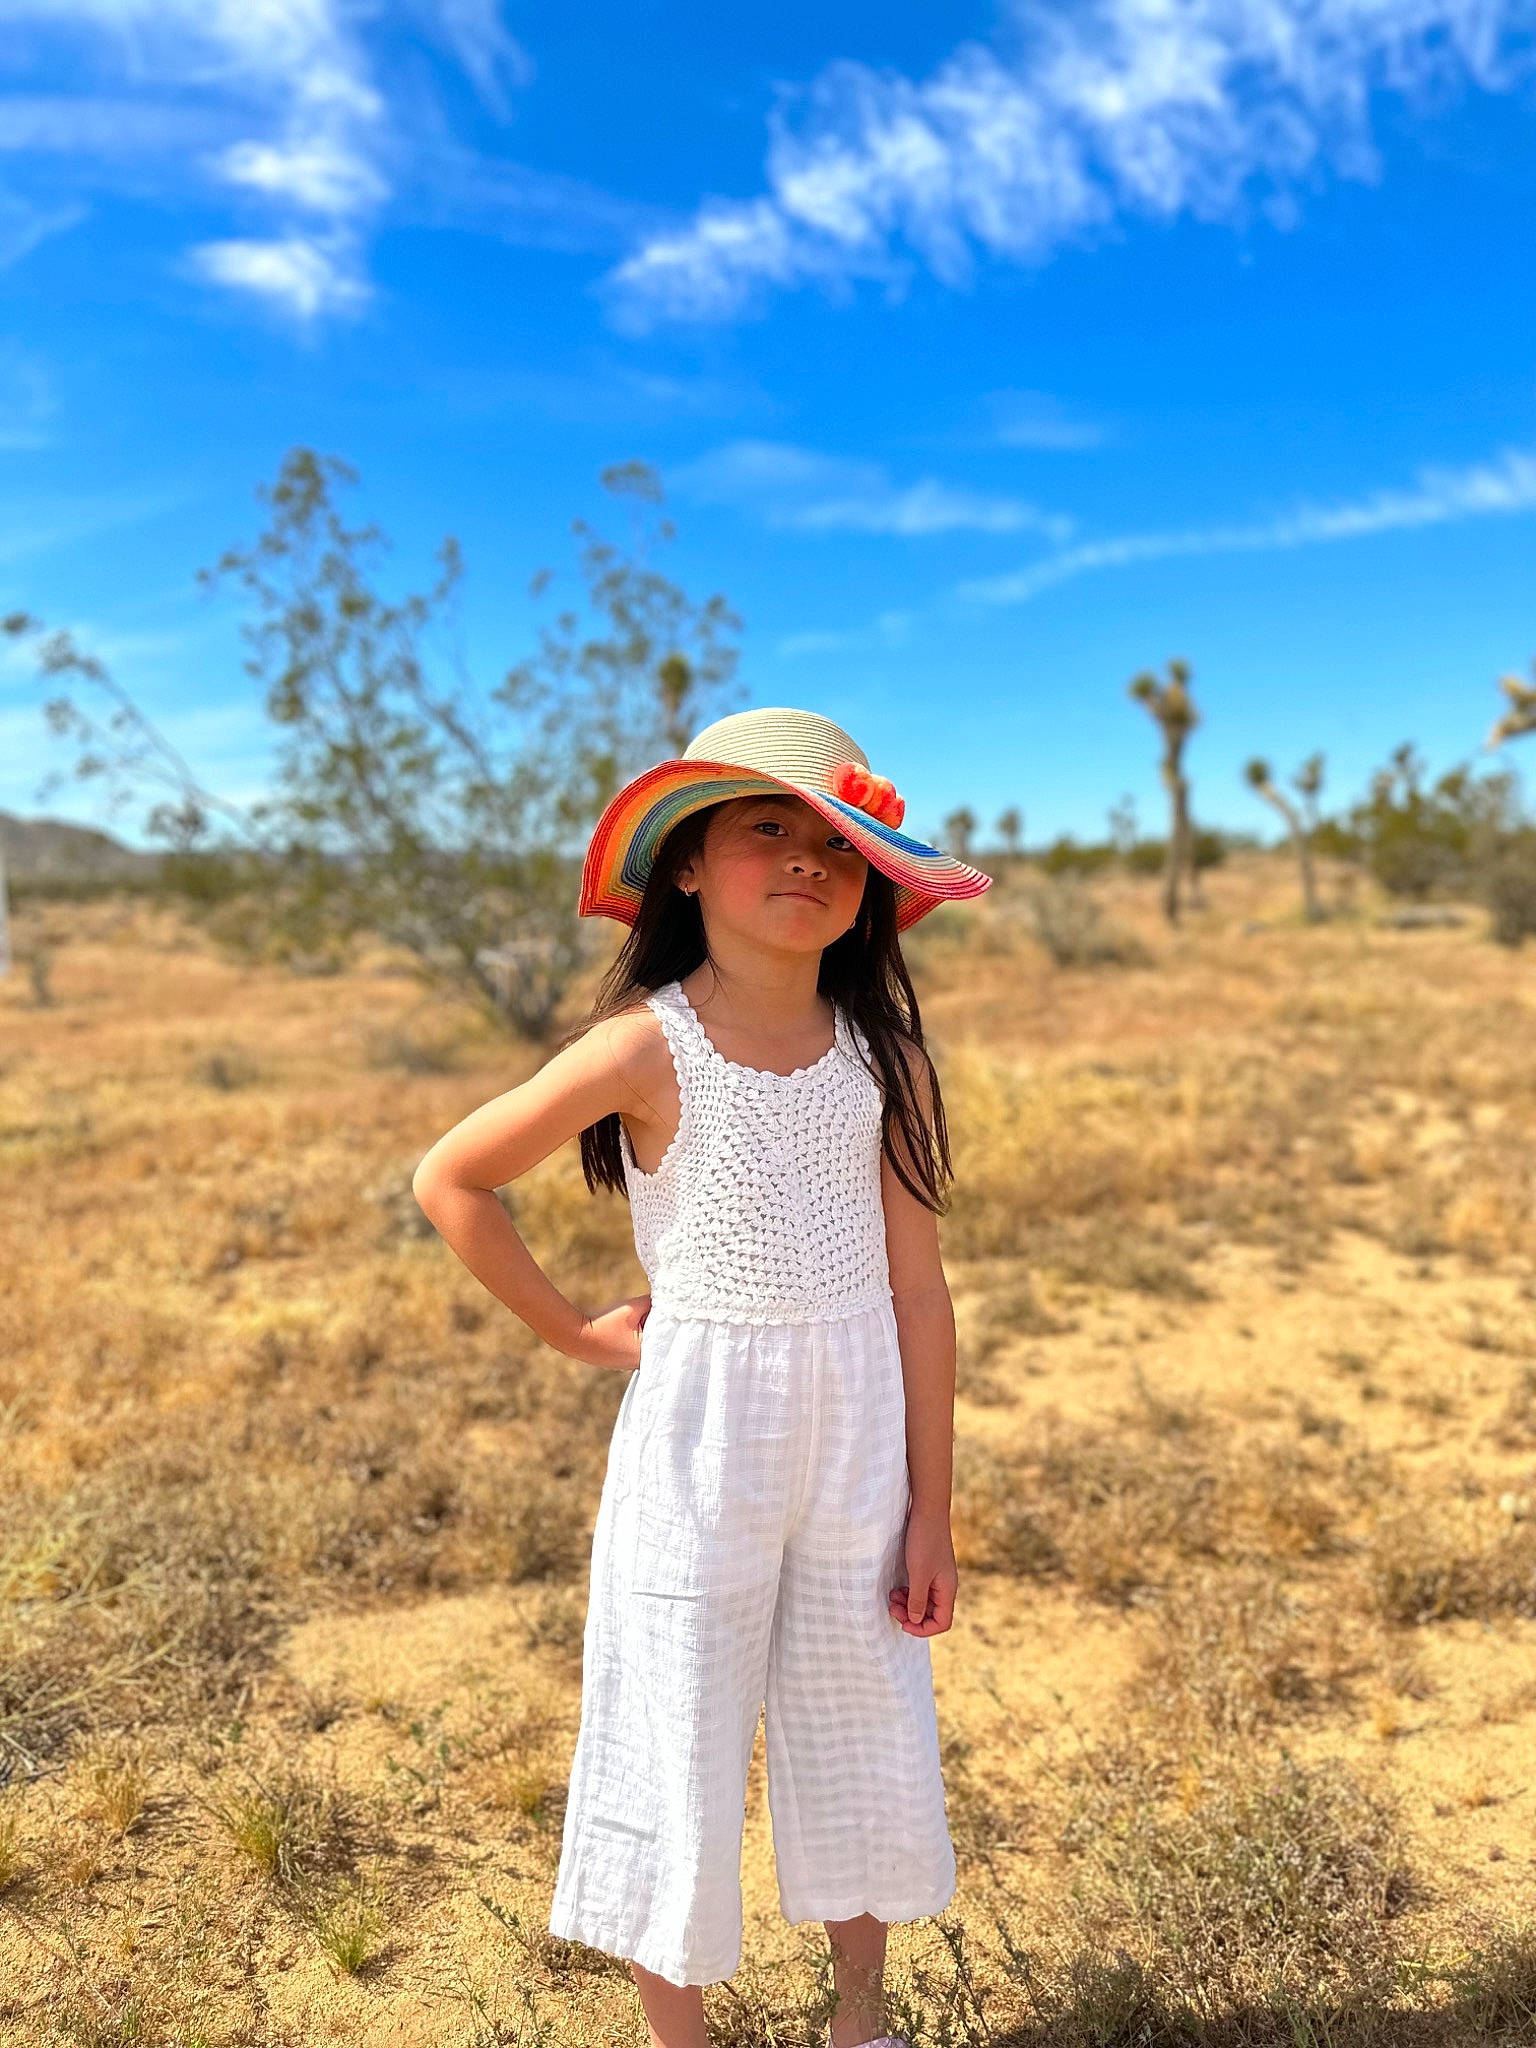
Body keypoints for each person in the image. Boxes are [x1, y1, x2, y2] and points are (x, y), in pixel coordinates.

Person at [412, 706, 994, 2048]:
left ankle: (862, 2023)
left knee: (861, 1726)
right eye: (766, 829)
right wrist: (575, 1333)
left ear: (870, 886)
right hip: (699, 1445)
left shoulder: (886, 1062)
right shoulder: (645, 1047)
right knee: (674, 1736)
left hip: (859, 1441)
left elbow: (919, 1293)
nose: (805, 861)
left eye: (837, 845)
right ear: (684, 865)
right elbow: (454, 1178)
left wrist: (933, 1510)